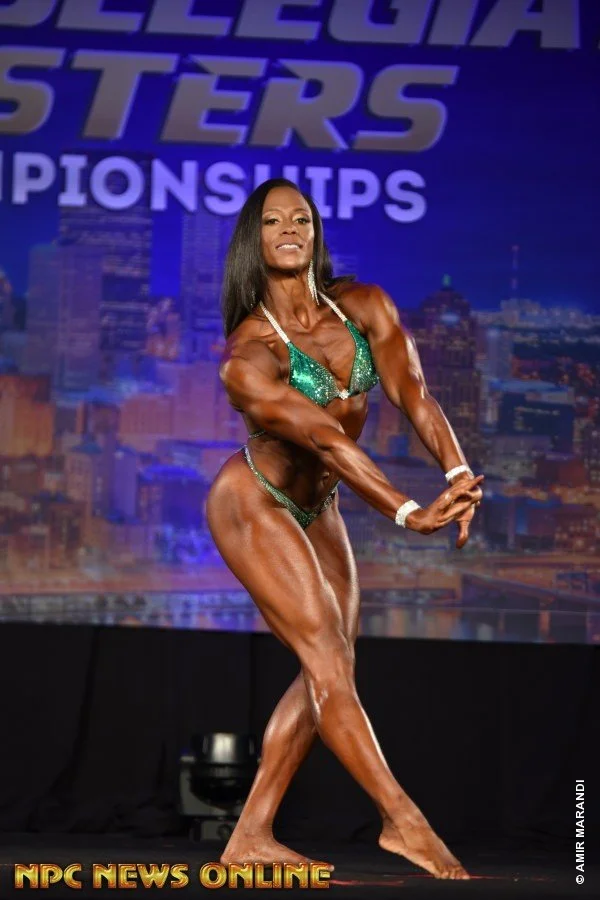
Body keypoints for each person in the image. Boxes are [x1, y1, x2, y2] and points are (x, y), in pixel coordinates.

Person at [206, 178, 484, 880]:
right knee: (327, 660)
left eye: (301, 217)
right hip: (255, 501)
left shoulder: (365, 308)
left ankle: (250, 835)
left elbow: (413, 393)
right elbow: (327, 440)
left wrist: (456, 477)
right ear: (255, 241)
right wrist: (404, 511)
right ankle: (403, 821)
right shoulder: (250, 355)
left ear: (316, 231)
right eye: (273, 222)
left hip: (319, 505)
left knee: (330, 667)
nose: (290, 229)